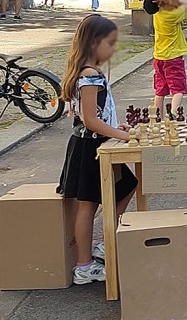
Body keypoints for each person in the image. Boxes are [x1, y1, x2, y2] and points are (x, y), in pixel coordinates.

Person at [57, 15, 137, 284]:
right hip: (90, 146)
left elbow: (96, 115)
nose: (113, 49)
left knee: (125, 185)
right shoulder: (89, 75)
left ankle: (103, 240)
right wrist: (121, 135)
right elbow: (91, 120)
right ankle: (84, 264)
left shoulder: (86, 71)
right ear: (94, 43)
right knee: (88, 205)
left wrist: (116, 127)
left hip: (90, 143)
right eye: (110, 43)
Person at [144, 0, 187, 117]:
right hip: (173, 57)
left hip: (159, 57)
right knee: (178, 89)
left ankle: (157, 116)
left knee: (160, 90)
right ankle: (173, 113)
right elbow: (186, 4)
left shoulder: (156, 13)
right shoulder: (173, 14)